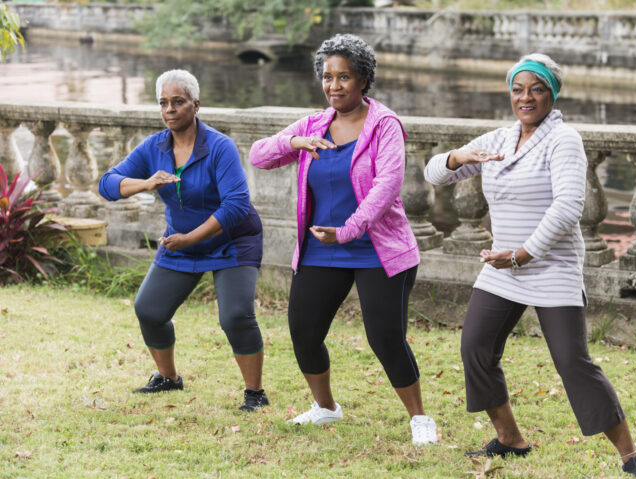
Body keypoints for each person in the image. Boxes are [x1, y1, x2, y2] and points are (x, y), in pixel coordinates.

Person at [424, 54, 636, 477]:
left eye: (536, 89)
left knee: (572, 361)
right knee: (476, 348)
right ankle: (510, 438)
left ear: (552, 93)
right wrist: (458, 157)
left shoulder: (563, 139)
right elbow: (433, 175)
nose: (525, 97)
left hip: (549, 266)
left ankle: (629, 453)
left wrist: (523, 254)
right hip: (502, 267)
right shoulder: (498, 140)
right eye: (517, 88)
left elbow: (569, 207)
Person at [249, 34, 437, 445]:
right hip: (321, 247)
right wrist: (293, 141)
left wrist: (348, 230)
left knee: (385, 337)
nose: (334, 86)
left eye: (344, 77)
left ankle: (420, 418)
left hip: (378, 249)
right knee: (304, 330)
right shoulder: (314, 124)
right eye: (328, 77)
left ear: (364, 80)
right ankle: (326, 408)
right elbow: (258, 155)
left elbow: (387, 186)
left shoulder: (384, 125)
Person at [98, 69, 269, 412]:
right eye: (163, 103)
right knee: (148, 309)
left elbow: (236, 205)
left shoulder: (220, 146)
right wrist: (144, 183)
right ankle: (168, 378)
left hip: (232, 242)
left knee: (235, 316)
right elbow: (107, 184)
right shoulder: (155, 147)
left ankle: (255, 393)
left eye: (178, 102)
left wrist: (190, 238)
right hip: (180, 243)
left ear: (196, 104)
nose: (170, 109)